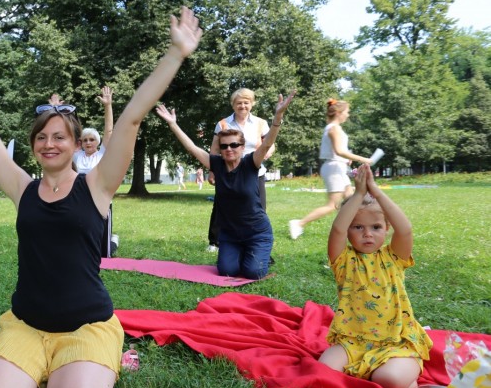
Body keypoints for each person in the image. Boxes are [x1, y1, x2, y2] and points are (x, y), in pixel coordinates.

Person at [0, 6, 201, 388]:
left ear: (74, 142)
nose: (50, 143)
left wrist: (175, 55)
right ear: (34, 145)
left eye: (60, 135)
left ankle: (86, 371)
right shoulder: (21, 188)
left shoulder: (97, 185)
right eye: (42, 136)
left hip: (86, 325)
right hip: (26, 325)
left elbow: (132, 117)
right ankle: (43, 376)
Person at [155, 89, 295, 279]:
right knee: (227, 271)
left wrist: (278, 116)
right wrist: (173, 124)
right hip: (230, 234)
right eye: (224, 146)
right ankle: (241, 252)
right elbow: (192, 147)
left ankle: (256, 253)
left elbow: (267, 144)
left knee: (253, 272)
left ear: (242, 147)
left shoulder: (250, 164)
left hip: (256, 233)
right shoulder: (217, 164)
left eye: (234, 145)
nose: (229, 149)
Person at [318, 164, 431, 388]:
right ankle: (384, 376)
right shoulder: (344, 260)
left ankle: (406, 375)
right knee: (322, 374)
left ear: (386, 228)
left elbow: (406, 230)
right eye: (357, 227)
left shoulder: (394, 257)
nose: (367, 233)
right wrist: (359, 194)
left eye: (376, 227)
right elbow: (337, 230)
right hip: (352, 341)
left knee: (388, 380)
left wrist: (375, 191)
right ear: (349, 232)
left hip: (395, 341)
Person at [289, 99, 372, 239]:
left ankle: (355, 229)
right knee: (332, 205)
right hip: (334, 168)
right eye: (347, 112)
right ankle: (299, 223)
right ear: (339, 113)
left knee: (352, 200)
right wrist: (363, 159)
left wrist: (347, 159)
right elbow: (339, 150)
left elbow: (338, 151)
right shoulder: (333, 128)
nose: (348, 115)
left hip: (338, 167)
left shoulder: (335, 128)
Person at [206, 88, 274, 253]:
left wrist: (268, 152)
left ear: (252, 104)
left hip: (253, 170)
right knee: (222, 205)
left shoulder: (261, 123)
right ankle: (214, 241)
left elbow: (269, 144)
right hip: (228, 171)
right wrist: (212, 170)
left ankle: (254, 240)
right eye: (239, 103)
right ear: (233, 105)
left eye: (246, 102)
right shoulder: (223, 124)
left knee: (258, 207)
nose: (242, 106)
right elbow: (215, 149)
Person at [70, 86, 116, 257]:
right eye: (85, 140)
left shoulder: (103, 154)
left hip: (101, 199)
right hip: (81, 198)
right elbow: (68, 132)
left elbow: (109, 131)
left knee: (106, 254)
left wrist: (107, 106)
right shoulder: (77, 156)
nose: (88, 143)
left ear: (97, 142)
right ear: (80, 143)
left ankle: (113, 241)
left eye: (92, 140)